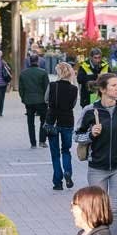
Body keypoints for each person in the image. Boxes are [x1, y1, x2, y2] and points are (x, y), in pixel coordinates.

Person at [76, 73, 117, 235]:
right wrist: (91, 134)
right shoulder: (90, 111)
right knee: (98, 211)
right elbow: (77, 136)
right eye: (113, 86)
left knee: (115, 210)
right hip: (97, 167)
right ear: (103, 89)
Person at [46, 61, 80, 191]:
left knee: (55, 154)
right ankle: (68, 172)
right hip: (67, 121)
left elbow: (46, 99)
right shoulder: (74, 89)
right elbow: (73, 104)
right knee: (66, 150)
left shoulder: (52, 85)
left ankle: (57, 182)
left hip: (52, 122)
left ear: (58, 72)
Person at [19, 54, 50, 149]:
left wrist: (24, 99)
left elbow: (21, 89)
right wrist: (47, 100)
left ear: (29, 61)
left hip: (29, 101)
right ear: (38, 61)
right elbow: (47, 88)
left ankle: (33, 143)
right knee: (44, 121)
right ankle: (42, 141)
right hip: (41, 101)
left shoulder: (23, 73)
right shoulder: (43, 73)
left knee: (30, 122)